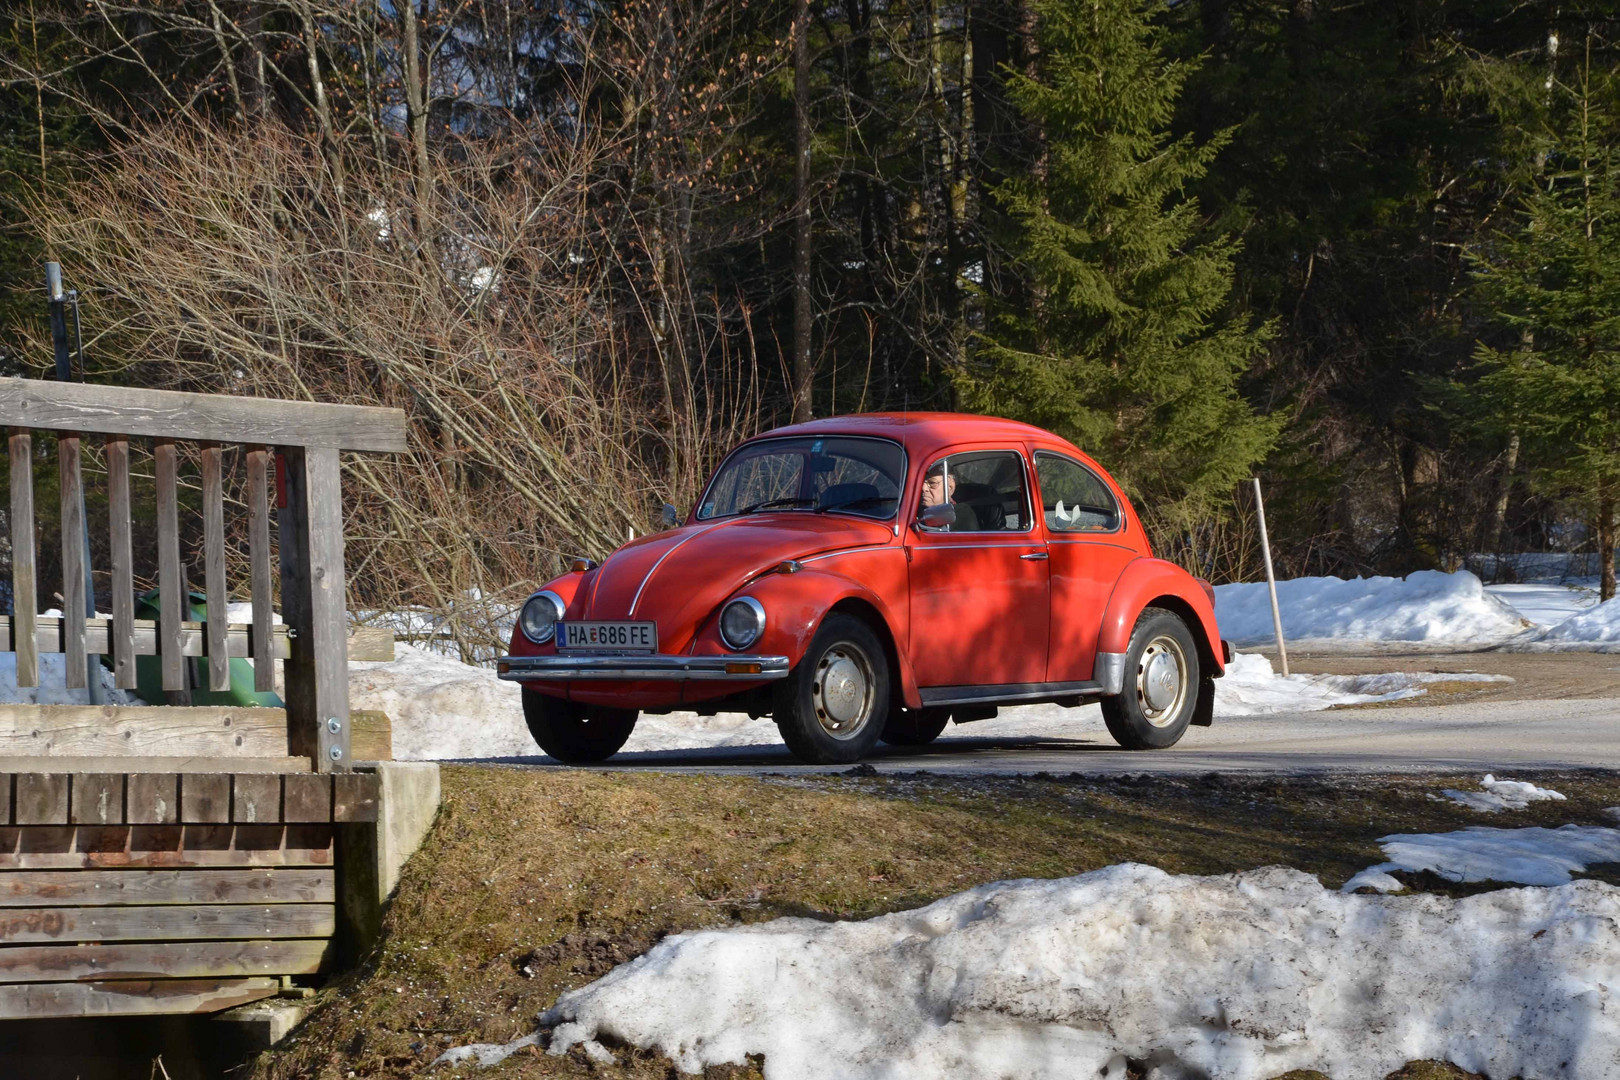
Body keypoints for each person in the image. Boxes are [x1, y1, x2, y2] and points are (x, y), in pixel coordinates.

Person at [918, 461, 979, 531]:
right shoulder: (913, 508)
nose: (923, 488)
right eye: (921, 482)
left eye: (932, 483)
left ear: (950, 487)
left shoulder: (961, 514)